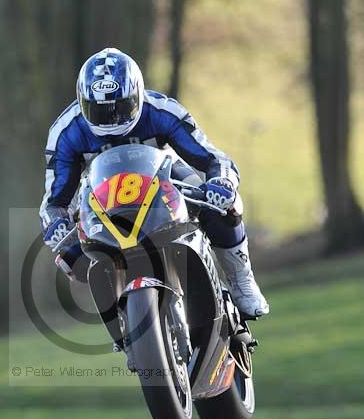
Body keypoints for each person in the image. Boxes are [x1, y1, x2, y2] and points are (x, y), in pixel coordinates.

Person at [40, 47, 268, 318]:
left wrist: (222, 183)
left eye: (120, 107)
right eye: (99, 111)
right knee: (70, 259)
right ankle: (122, 320)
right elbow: (54, 199)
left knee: (225, 206)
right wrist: (54, 224)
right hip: (102, 199)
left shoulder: (161, 110)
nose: (112, 119)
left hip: (164, 182)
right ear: (82, 102)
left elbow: (213, 158)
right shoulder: (66, 131)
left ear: (137, 94)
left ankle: (241, 280)